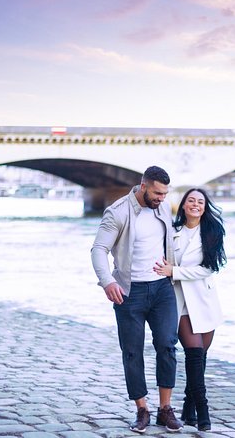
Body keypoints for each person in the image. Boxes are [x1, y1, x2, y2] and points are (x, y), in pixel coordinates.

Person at [90, 166, 183, 434]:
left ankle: (165, 409)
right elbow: (99, 249)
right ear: (143, 186)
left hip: (162, 289)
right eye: (157, 193)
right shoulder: (117, 212)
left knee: (167, 344)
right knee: (132, 352)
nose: (162, 198)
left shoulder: (162, 207)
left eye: (165, 193)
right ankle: (142, 409)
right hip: (129, 292)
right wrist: (107, 281)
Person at [153, 188, 226, 431]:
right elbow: (160, 263)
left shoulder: (212, 231)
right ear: (183, 205)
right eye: (191, 201)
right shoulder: (171, 233)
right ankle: (203, 412)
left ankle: (188, 408)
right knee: (194, 355)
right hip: (180, 302)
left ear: (205, 207)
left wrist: (174, 271)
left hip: (204, 301)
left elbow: (208, 267)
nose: (196, 205)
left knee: (200, 358)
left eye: (200, 202)